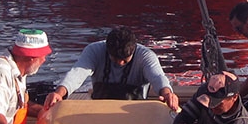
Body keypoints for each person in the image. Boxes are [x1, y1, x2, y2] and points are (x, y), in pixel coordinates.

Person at [42, 26, 179, 111]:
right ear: (107, 49)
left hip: (135, 114)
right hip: (98, 112)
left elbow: (158, 77)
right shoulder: (94, 50)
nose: (120, 63)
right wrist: (59, 93)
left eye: (125, 60)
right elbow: (76, 73)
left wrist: (167, 94)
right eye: (115, 58)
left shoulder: (146, 56)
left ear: (133, 50)